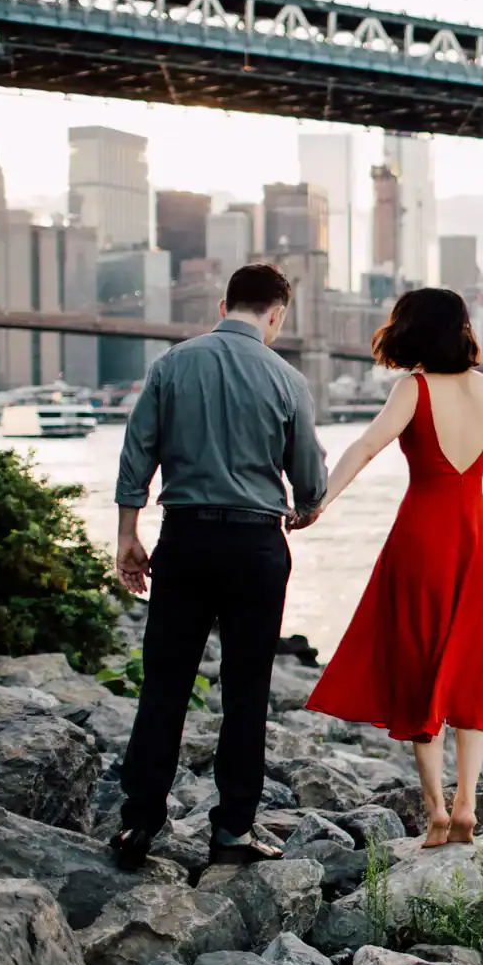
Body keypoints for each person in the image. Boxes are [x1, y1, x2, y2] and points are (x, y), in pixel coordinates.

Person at [303, 287, 483, 846]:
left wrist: (321, 501)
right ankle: (467, 804)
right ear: (460, 329)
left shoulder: (412, 390)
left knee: (422, 667)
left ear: (411, 331)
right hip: (474, 540)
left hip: (420, 540)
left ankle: (437, 812)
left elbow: (367, 447)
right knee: (470, 666)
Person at [109, 262, 327, 870]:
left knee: (165, 683)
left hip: (184, 538)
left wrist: (128, 535)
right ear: (277, 314)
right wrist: (305, 507)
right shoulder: (287, 379)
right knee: (246, 688)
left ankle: (139, 823)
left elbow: (137, 452)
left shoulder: (172, 365)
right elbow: (308, 474)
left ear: (224, 302)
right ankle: (232, 829)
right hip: (256, 546)